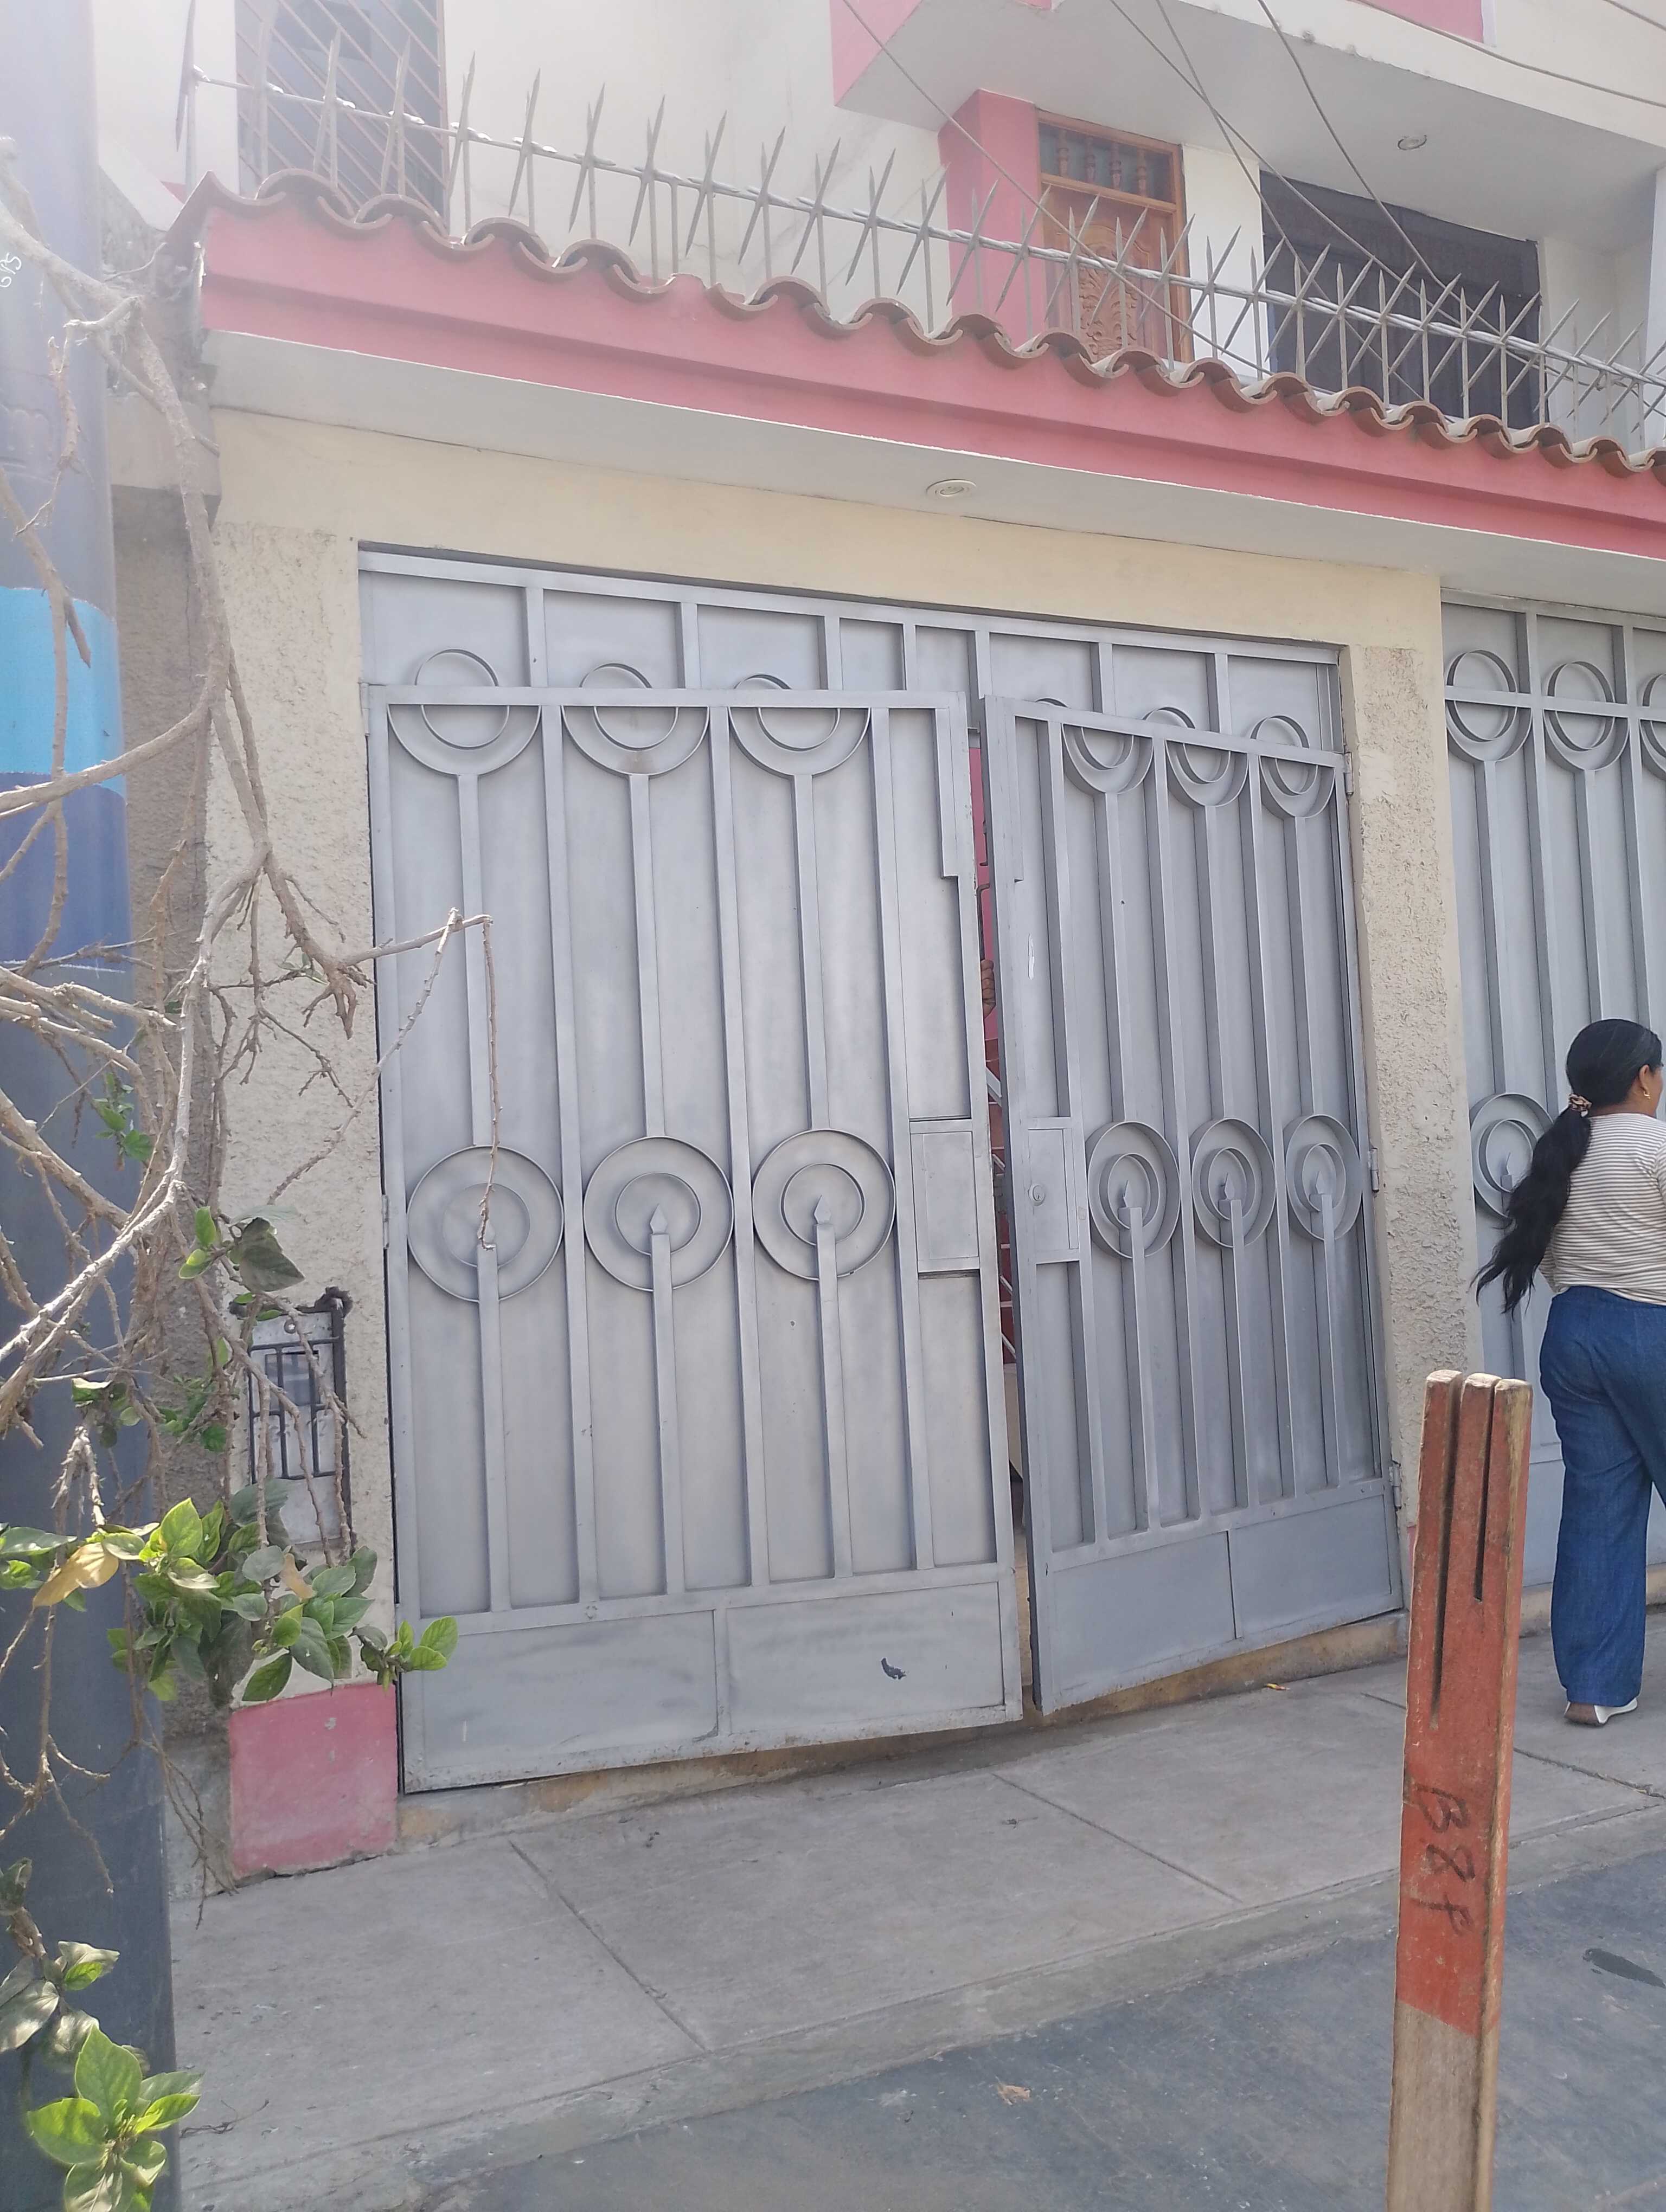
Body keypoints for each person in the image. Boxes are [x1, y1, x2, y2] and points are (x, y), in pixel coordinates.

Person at [1477, 1018, 1666, 1728]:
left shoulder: (1563, 1150)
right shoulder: (1654, 1146)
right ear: (1644, 1077)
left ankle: (1594, 1688)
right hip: (1651, 1329)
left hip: (1575, 1334)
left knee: (1599, 1509)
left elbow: (1552, 1256)